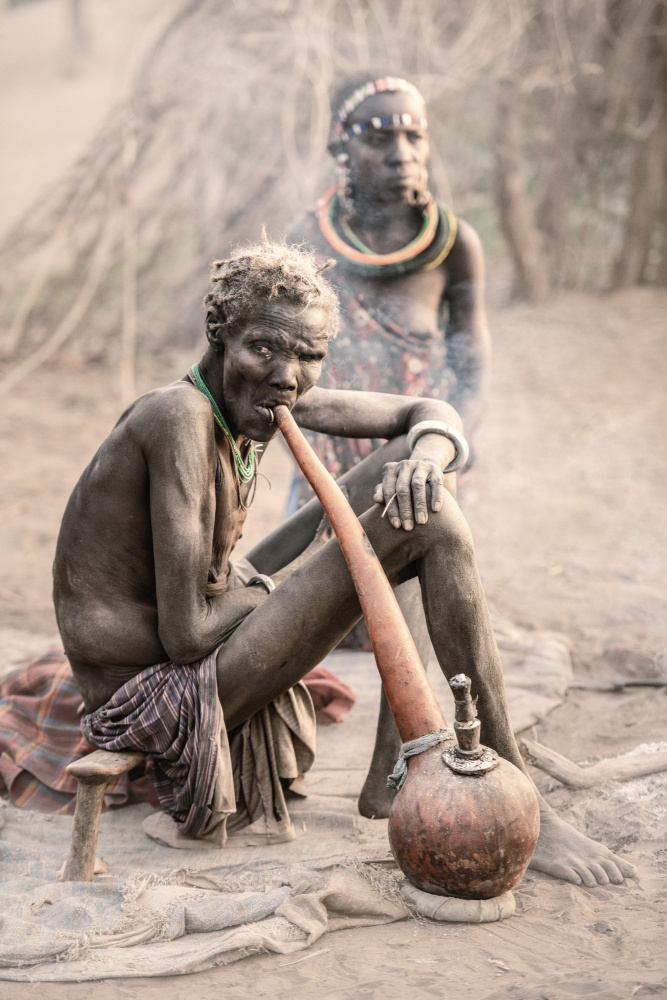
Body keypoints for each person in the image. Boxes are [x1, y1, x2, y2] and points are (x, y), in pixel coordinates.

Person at [53, 240, 634, 885]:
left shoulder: (266, 395)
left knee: (409, 491)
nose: (286, 375)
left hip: (208, 626)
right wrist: (278, 586)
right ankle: (517, 782)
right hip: (158, 691)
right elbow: (187, 633)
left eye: (309, 356)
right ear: (220, 335)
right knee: (428, 522)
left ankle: (397, 771)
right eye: (264, 348)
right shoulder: (179, 417)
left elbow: (425, 413)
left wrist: (428, 457)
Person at [286, 73, 489, 813]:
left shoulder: (453, 245)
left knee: (410, 611)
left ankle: (387, 780)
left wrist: (439, 448)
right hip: (324, 460)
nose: (401, 152)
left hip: (416, 457)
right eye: (379, 136)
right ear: (344, 147)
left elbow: (472, 372)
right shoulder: (306, 240)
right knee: (295, 617)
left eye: (413, 135)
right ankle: (271, 760)